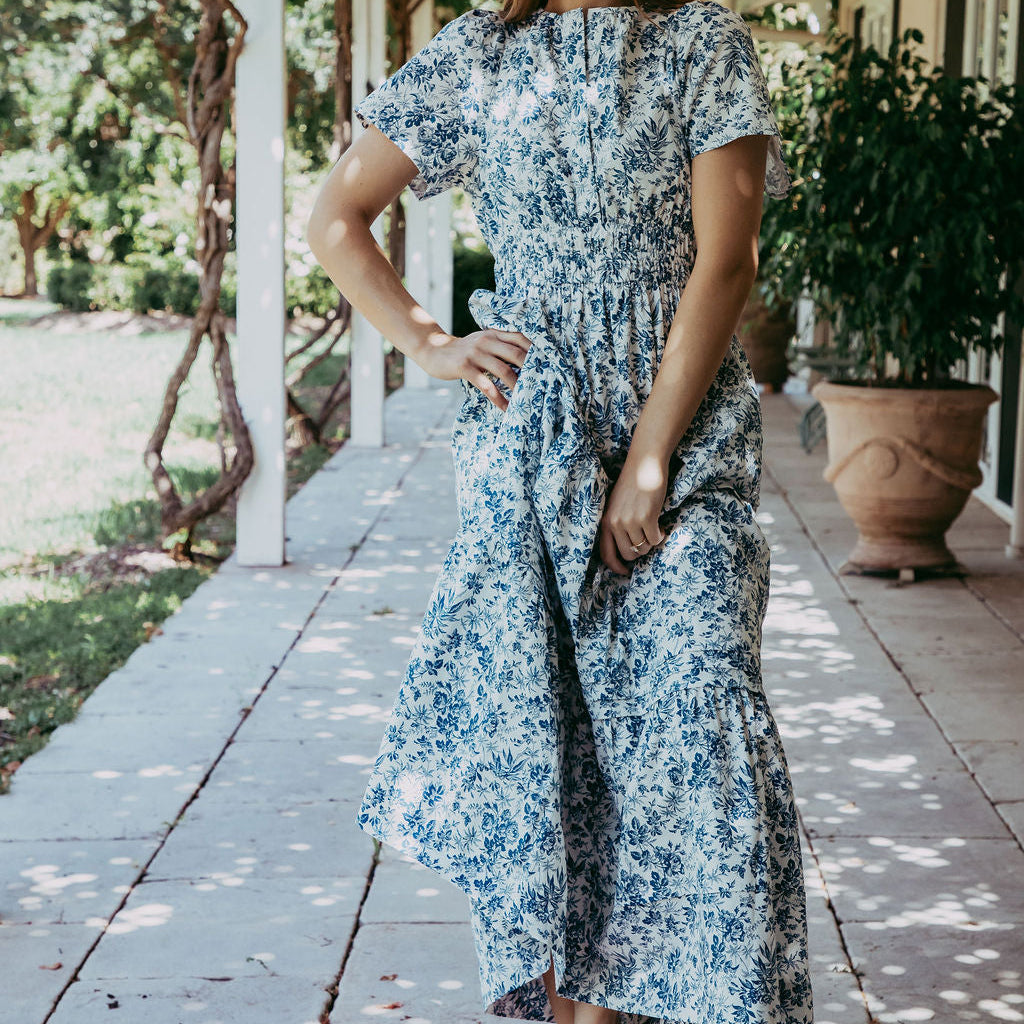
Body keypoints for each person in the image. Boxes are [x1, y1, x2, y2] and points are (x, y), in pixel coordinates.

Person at [306, 1, 812, 1022]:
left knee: (700, 702)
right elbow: (333, 219)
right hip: (531, 451)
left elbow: (726, 261)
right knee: (551, 747)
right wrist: (431, 342)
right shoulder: (476, 55)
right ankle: (581, 1007)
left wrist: (650, 459)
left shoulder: (699, 43)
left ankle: (711, 996)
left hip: (687, 449)